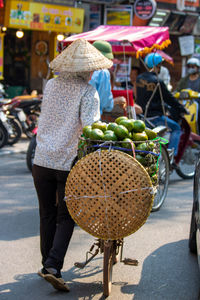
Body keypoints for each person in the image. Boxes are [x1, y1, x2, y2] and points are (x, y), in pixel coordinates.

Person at [32, 38, 113, 292]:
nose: (92, 73)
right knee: (66, 216)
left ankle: (48, 264)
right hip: (67, 162)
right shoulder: (88, 91)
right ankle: (53, 266)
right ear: (84, 69)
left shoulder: (52, 85)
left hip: (41, 159)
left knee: (46, 212)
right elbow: (91, 128)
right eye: (90, 69)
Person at [136, 52, 187, 157]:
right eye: (160, 65)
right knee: (177, 128)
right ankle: (171, 155)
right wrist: (182, 109)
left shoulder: (139, 78)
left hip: (142, 117)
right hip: (155, 117)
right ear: (157, 66)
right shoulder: (158, 81)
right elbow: (169, 99)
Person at [89, 40, 115, 116]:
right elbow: (105, 102)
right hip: (91, 117)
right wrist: (113, 103)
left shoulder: (79, 67)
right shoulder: (103, 72)